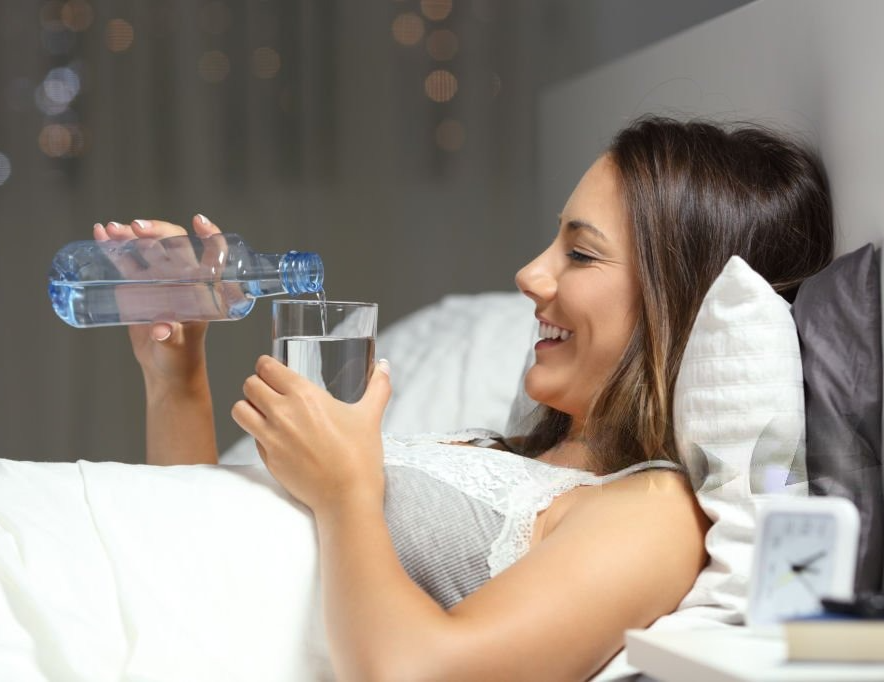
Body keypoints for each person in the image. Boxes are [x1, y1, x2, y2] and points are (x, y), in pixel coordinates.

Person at [94, 115, 834, 680]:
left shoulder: (654, 515)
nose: (530, 274)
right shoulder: (502, 453)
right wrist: (175, 370)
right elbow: (201, 550)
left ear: (674, 299)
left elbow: (424, 670)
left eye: (579, 253)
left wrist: (348, 492)